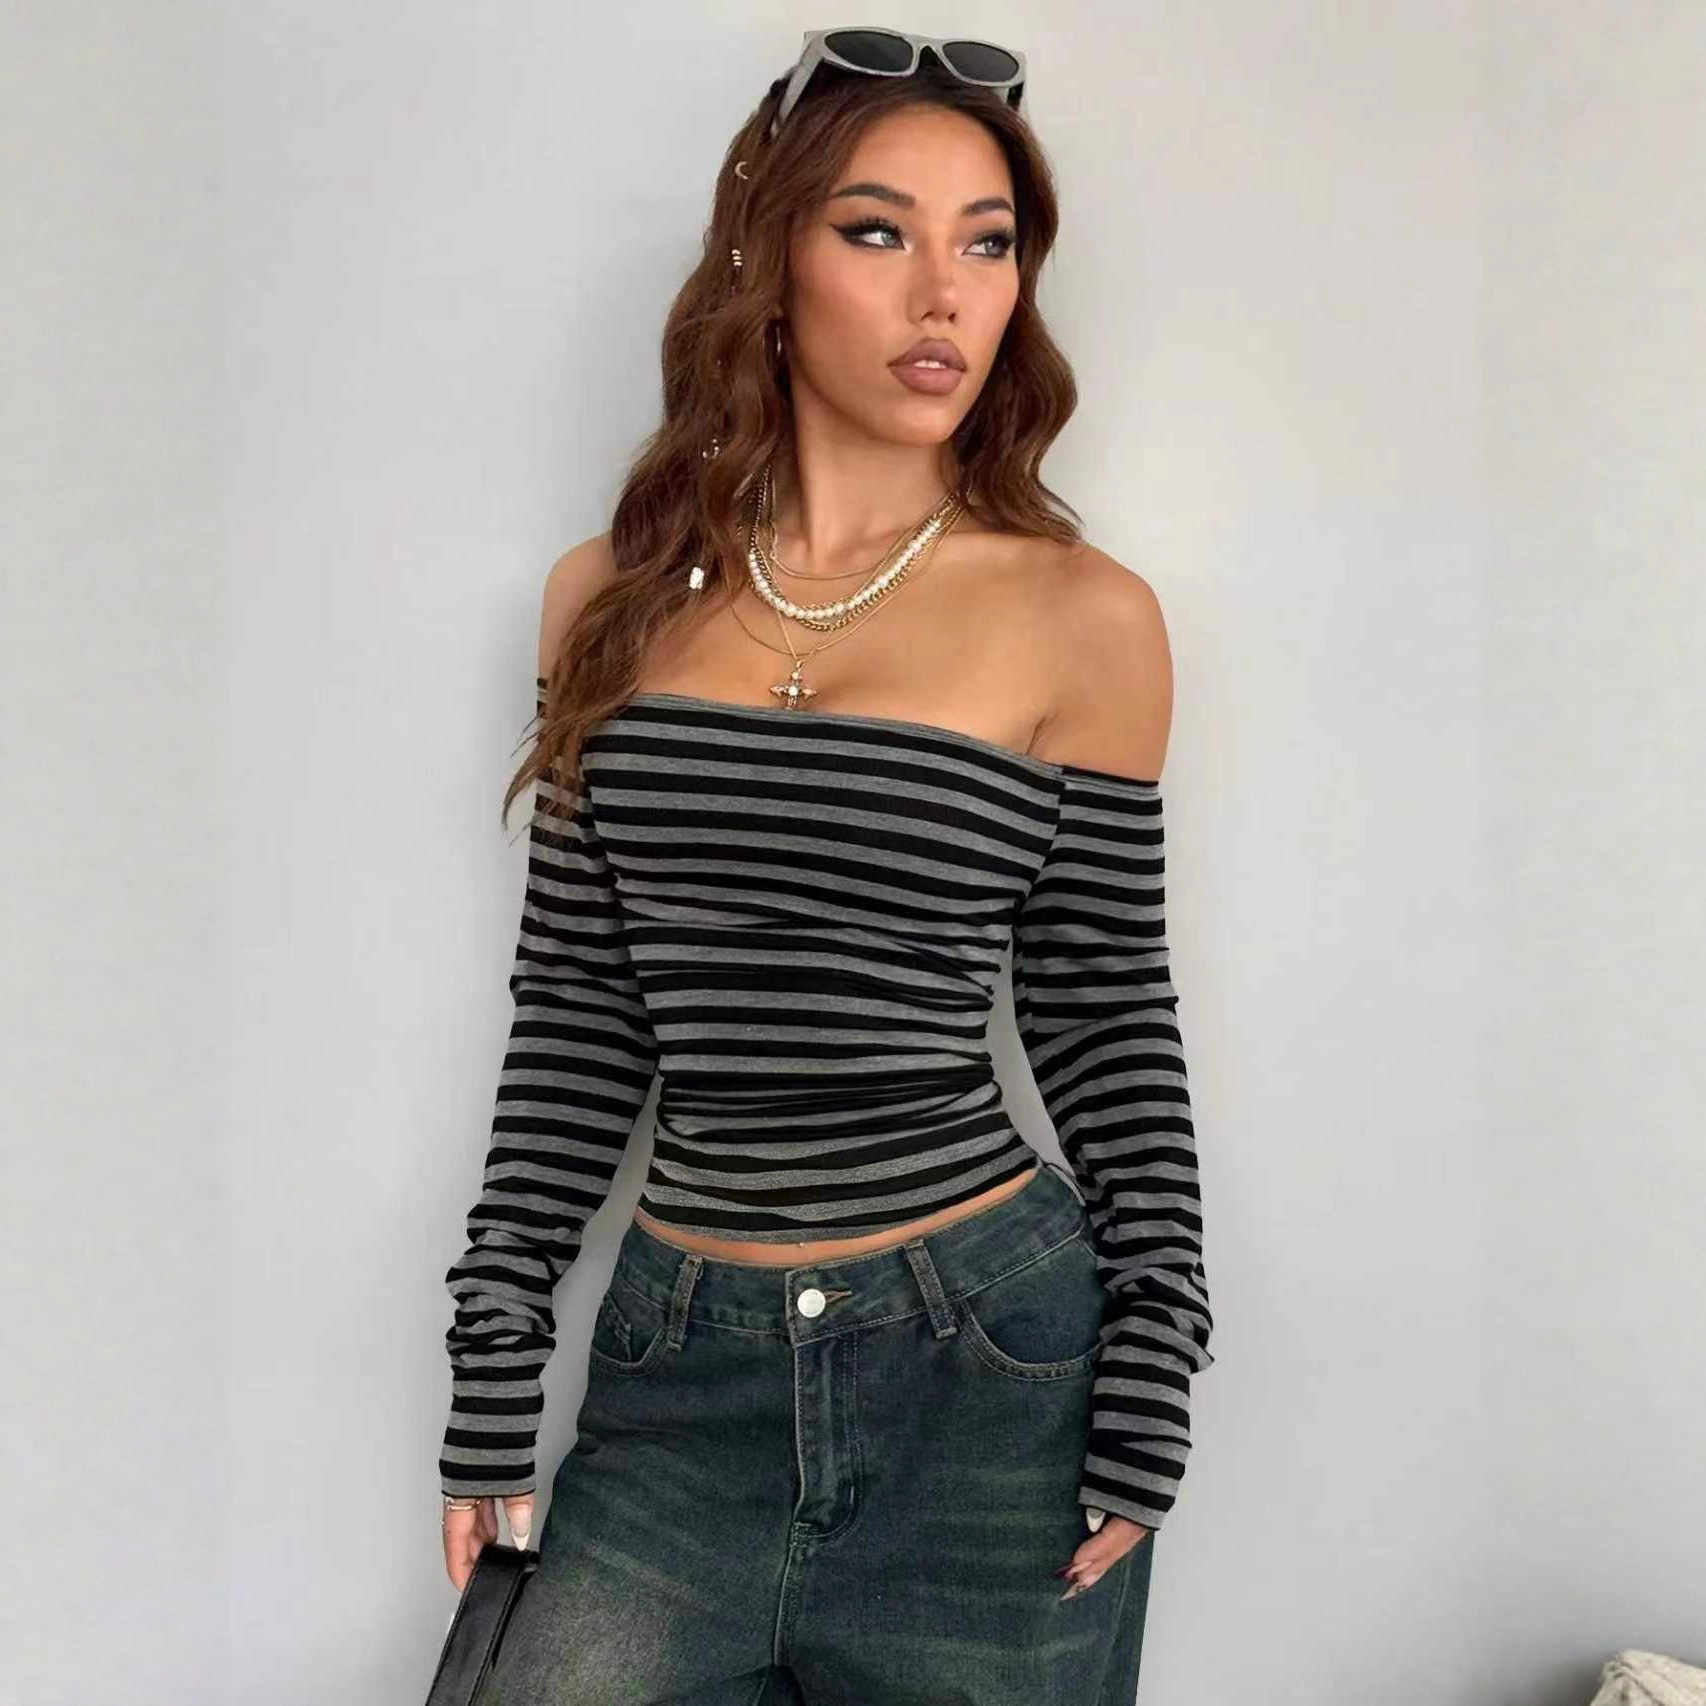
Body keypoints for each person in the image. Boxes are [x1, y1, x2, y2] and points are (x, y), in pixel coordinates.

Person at [437, 29, 1215, 1704]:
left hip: (987, 1368)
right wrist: (496, 1336)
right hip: (680, 1372)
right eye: (877, 230)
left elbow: (1101, 1009)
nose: (943, 292)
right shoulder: (605, 597)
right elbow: (579, 1003)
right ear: (767, 259)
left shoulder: (1086, 618)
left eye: (986, 242)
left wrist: (1158, 1343)